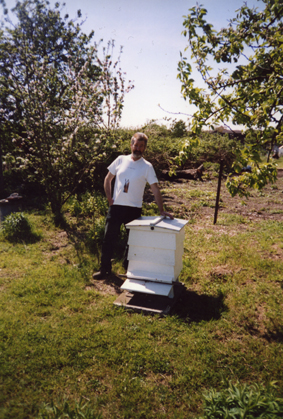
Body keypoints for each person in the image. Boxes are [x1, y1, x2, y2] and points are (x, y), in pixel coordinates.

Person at [93, 132, 173, 279]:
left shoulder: (147, 167)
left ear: (145, 149)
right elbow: (107, 179)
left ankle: (130, 270)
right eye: (135, 145)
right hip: (116, 207)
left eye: (141, 146)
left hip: (134, 210)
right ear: (131, 145)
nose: (137, 148)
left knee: (133, 242)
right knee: (108, 239)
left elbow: (155, 189)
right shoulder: (120, 160)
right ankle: (104, 270)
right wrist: (109, 198)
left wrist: (161, 210)